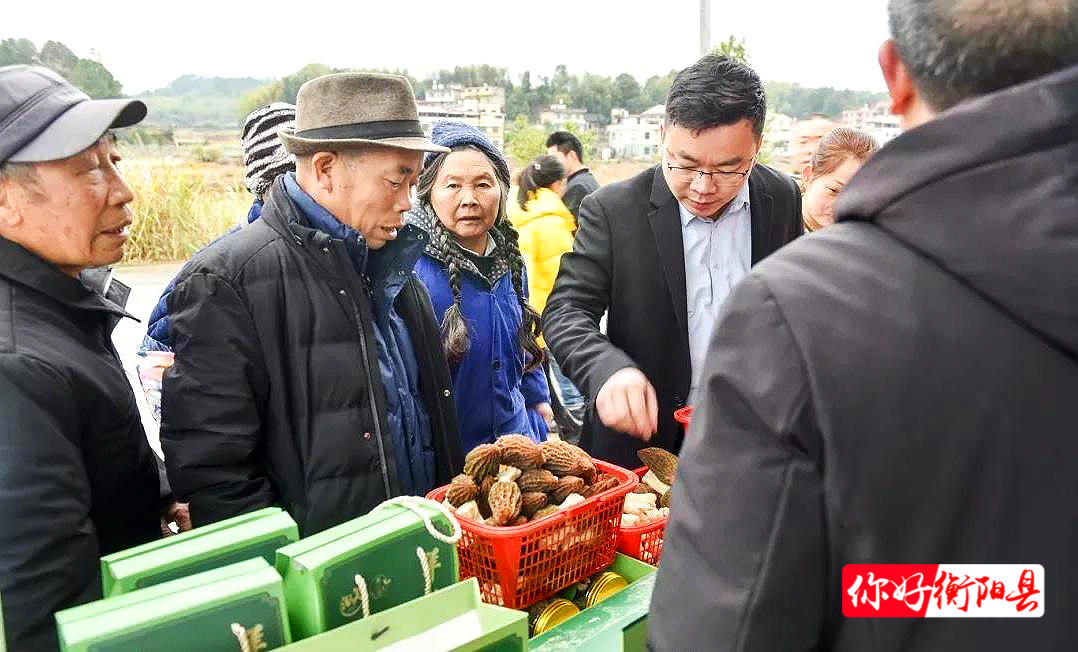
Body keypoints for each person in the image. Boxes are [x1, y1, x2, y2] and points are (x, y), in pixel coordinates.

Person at [650, 0, 1078, 649]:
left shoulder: (794, 312)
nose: (706, 183)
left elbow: (729, 623)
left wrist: (889, 590)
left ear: (896, 74)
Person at [160, 73, 463, 537]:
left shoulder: (399, 272)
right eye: (396, 181)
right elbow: (218, 479)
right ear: (325, 168)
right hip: (318, 579)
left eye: (414, 183)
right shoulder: (227, 282)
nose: (408, 204)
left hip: (424, 548)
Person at [543, 55, 802, 469]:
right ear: (663, 135)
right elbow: (565, 311)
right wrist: (607, 370)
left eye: (727, 168)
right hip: (643, 444)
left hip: (747, 439)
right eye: (684, 163)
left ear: (756, 147)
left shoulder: (782, 198)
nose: (702, 187)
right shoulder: (613, 209)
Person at [0, 65, 165, 649]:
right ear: (6, 200)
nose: (122, 190)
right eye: (88, 170)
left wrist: (156, 497)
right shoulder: (15, 363)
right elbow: (46, 608)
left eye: (113, 160)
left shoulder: (63, 306)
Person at [409, 122, 552, 450]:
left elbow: (524, 341)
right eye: (453, 186)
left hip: (515, 439)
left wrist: (537, 401)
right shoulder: (410, 269)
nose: (470, 199)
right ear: (428, 192)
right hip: (450, 454)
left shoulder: (511, 261)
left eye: (483, 184)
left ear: (502, 191)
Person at [140, 102, 296, 353]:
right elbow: (156, 356)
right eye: (291, 178)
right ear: (263, 187)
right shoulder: (217, 270)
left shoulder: (346, 245)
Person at [507, 154, 587, 439]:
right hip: (554, 322)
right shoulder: (552, 223)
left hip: (534, 323)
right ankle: (581, 448)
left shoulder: (522, 216)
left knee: (552, 393)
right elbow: (566, 282)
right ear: (558, 184)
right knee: (573, 393)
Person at [800, 127, 878, 232]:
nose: (841, 205)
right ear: (808, 175)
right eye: (834, 190)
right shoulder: (775, 222)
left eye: (856, 198)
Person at [546, 130, 599, 219]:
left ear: (571, 155)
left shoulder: (578, 188)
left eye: (554, 159)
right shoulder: (586, 180)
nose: (551, 164)